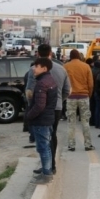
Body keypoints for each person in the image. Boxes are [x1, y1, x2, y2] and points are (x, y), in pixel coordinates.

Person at [26, 44, 71, 174]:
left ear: (38, 54)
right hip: (56, 107)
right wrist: (59, 101)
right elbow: (67, 90)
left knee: (43, 139)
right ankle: (52, 165)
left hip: (41, 109)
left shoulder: (34, 69)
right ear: (51, 53)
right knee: (53, 135)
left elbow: (29, 91)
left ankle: (47, 167)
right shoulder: (61, 69)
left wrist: (31, 109)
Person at [27, 58, 58, 185]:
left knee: (43, 148)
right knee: (47, 147)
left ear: (44, 68)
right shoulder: (50, 79)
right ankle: (47, 171)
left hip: (41, 120)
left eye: (37, 66)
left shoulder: (41, 83)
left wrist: (28, 115)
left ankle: (46, 174)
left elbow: (40, 105)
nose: (34, 68)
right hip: (48, 118)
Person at [64, 49, 94, 151]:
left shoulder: (66, 67)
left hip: (71, 97)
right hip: (84, 96)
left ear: (70, 56)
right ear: (79, 56)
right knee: (85, 121)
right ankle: (88, 144)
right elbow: (90, 84)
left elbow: (64, 84)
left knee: (71, 122)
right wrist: (88, 94)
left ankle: (71, 145)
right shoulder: (86, 66)